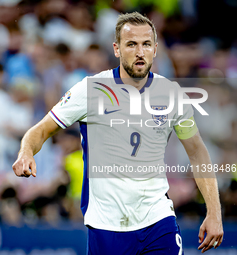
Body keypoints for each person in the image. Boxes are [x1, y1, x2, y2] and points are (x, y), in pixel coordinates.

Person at [12, 12, 224, 254]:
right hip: (107, 225)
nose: (139, 52)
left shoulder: (171, 93)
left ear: (155, 49)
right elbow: (40, 130)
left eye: (146, 44)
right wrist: (26, 152)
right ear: (116, 49)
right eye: (131, 44)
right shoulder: (91, 90)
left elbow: (197, 152)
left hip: (157, 219)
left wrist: (214, 212)